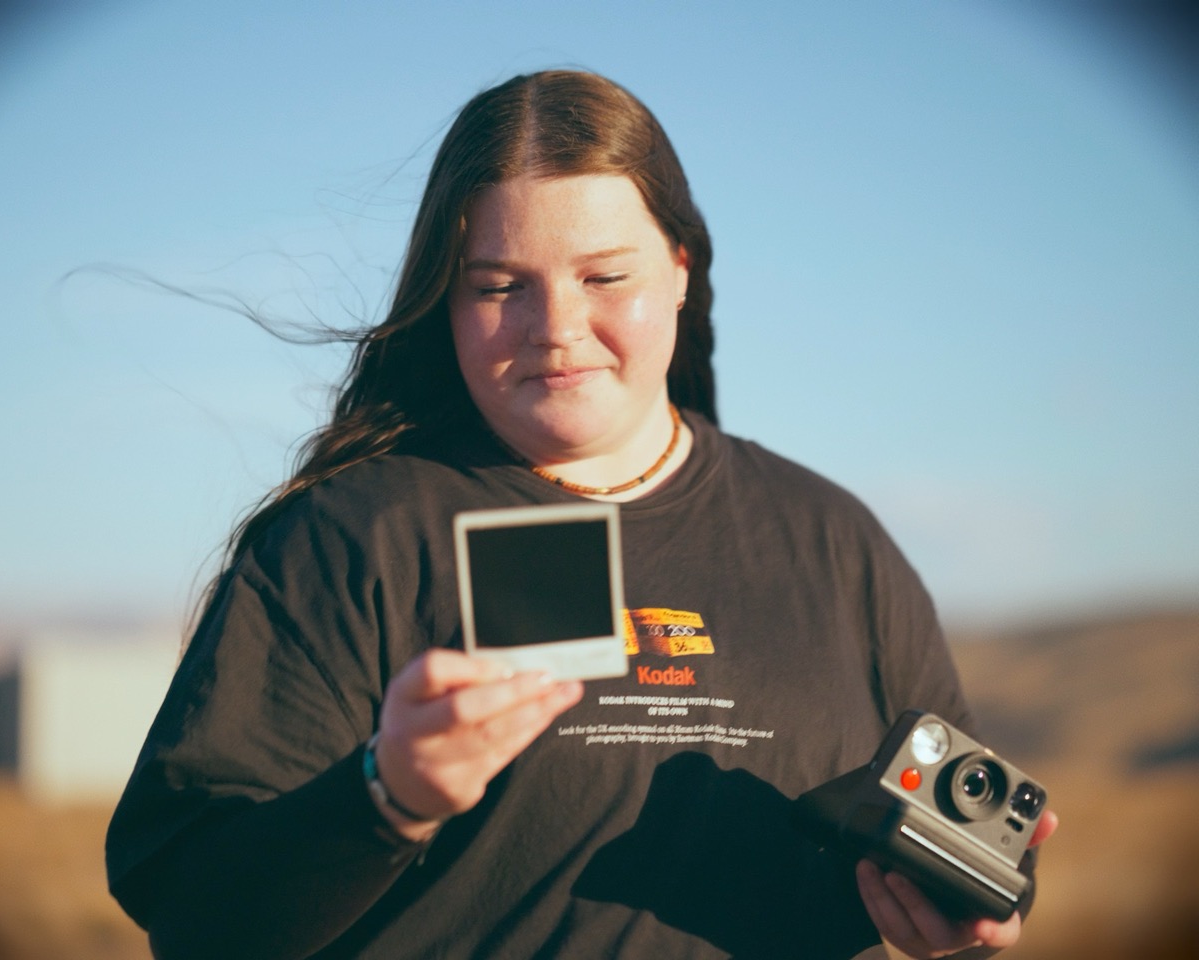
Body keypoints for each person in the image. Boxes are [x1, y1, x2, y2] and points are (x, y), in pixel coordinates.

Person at [105, 70, 1056, 960]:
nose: (554, 328)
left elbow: (965, 836)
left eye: (605, 278)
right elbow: (192, 914)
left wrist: (961, 911)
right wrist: (385, 798)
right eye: (498, 286)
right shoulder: (353, 539)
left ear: (681, 269)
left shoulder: (834, 542)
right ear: (447, 297)